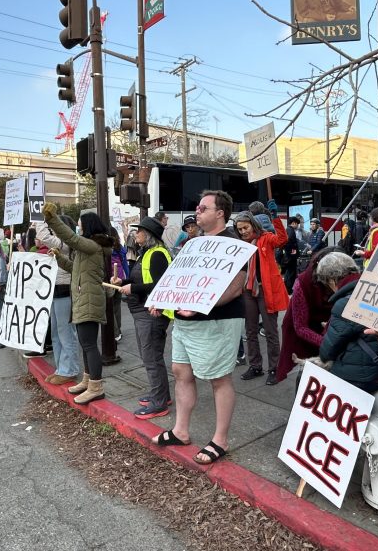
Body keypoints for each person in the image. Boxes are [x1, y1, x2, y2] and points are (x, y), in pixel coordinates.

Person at [151, 190, 246, 466]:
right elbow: (180, 279)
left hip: (217, 321)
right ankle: (180, 430)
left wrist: (203, 305)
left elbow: (236, 286)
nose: (198, 210)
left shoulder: (233, 243)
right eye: (198, 207)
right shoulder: (196, 243)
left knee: (219, 379)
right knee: (181, 372)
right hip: (185, 321)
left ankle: (220, 440)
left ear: (220, 213)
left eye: (204, 207)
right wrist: (162, 299)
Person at [43, 203, 114, 405]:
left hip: (89, 300)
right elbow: (75, 269)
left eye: (81, 226)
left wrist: (52, 219)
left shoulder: (92, 245)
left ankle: (96, 386)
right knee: (86, 344)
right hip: (84, 300)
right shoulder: (90, 248)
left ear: (88, 227)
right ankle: (87, 380)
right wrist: (59, 257)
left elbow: (70, 238)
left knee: (90, 345)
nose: (78, 229)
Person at [112, 216, 174, 419]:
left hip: (151, 314)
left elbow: (160, 285)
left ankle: (159, 403)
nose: (135, 233)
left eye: (138, 231)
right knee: (151, 356)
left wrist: (133, 287)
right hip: (144, 313)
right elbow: (140, 278)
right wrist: (123, 281)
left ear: (148, 235)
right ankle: (161, 395)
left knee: (151, 357)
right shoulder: (147, 253)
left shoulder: (157, 254)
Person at [233, 203, 289, 386]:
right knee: (250, 331)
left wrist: (275, 216)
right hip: (248, 290)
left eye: (245, 227)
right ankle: (256, 366)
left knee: (271, 331)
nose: (242, 231)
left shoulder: (266, 238)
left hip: (266, 291)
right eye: (239, 229)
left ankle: (275, 368)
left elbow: (282, 239)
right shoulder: (242, 244)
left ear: (253, 225)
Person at [317, 253, 378, 393]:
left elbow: (327, 351)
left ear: (332, 280)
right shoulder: (376, 289)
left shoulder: (345, 303)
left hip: (360, 376)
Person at [276, 247, 338, 384]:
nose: (336, 281)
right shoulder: (304, 283)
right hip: (303, 329)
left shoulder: (346, 278)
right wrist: (328, 344)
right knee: (307, 374)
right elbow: (300, 327)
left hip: (330, 331)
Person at [35, 216, 82, 385]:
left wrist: (39, 219)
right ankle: (61, 368)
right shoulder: (61, 243)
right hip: (54, 291)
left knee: (65, 332)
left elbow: (44, 236)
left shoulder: (67, 242)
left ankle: (69, 369)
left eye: (55, 227)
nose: (52, 230)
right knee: (56, 333)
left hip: (65, 290)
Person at [109, 226, 129, 343]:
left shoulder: (107, 249)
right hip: (121, 278)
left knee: (110, 308)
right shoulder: (120, 248)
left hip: (111, 279)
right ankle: (118, 331)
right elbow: (125, 264)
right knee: (116, 307)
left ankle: (115, 333)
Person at [283, 216, 301, 293]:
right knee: (291, 273)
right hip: (291, 256)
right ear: (293, 223)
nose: (297, 226)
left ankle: (286, 288)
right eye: (297, 224)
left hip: (288, 255)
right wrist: (292, 252)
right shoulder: (291, 230)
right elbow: (289, 241)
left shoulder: (287, 229)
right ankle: (289, 289)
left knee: (288, 273)